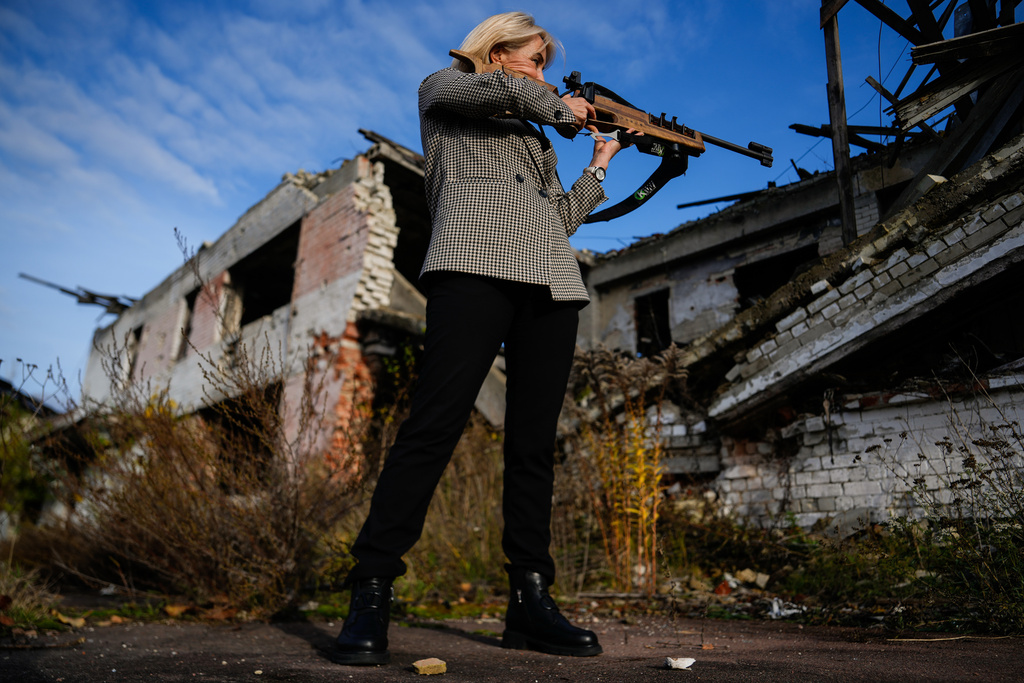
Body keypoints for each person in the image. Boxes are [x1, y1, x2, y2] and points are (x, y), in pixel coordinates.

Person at [333, 11, 628, 666]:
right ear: (496, 53)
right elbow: (511, 94)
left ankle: (530, 599)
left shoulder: (536, 135)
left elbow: (556, 221)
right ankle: (371, 589)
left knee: (533, 446)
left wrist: (600, 165)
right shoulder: (445, 90)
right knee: (433, 426)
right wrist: (561, 107)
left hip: (550, 284)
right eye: (536, 59)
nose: (544, 74)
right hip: (472, 269)